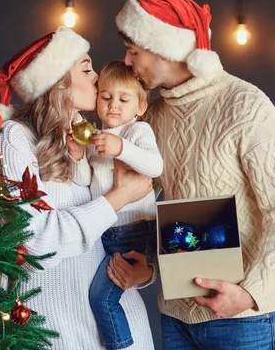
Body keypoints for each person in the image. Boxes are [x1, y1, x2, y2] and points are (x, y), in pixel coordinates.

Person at [112, 0, 275, 349]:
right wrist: (150, 266)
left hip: (242, 320)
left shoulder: (247, 107)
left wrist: (249, 293)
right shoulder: (152, 116)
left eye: (133, 51)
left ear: (163, 47)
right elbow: (145, 204)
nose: (126, 61)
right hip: (174, 318)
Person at [0, 27, 156, 350]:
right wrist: (118, 197)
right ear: (57, 81)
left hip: (125, 329)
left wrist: (144, 272)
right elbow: (32, 240)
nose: (98, 78)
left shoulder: (93, 141)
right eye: (86, 68)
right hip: (59, 331)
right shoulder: (15, 138)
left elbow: (118, 232)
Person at [68, 61, 163, 350]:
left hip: (135, 232)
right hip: (108, 234)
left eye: (124, 99)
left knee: (101, 298)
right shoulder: (97, 139)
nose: (113, 106)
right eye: (106, 97)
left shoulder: (137, 131)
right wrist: (78, 157)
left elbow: (155, 165)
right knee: (94, 295)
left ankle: (121, 346)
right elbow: (86, 182)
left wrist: (121, 148)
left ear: (140, 106)